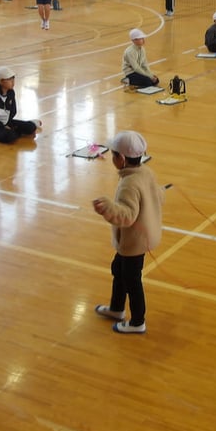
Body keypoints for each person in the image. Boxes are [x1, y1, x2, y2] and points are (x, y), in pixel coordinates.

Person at [92, 130, 164, 334]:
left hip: (135, 242)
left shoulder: (129, 184)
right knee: (118, 269)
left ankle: (138, 321)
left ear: (121, 159)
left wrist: (107, 208)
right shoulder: (145, 172)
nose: (112, 158)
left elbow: (127, 216)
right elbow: (157, 195)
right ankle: (117, 308)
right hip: (137, 239)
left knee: (132, 280)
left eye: (113, 155)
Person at [0, 66, 41, 143]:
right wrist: (2, 126)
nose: (12, 82)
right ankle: (15, 132)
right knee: (10, 136)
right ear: (1, 81)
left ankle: (28, 125)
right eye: (9, 79)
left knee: (31, 127)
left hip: (6, 123)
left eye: (13, 78)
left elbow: (13, 111)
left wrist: (7, 124)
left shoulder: (11, 93)